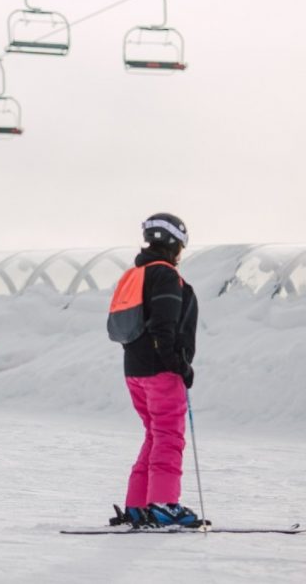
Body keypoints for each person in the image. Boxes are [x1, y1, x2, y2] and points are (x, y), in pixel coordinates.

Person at [107, 213, 199, 528]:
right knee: (169, 436)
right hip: (160, 371)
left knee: (155, 434)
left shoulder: (134, 275)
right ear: (174, 244)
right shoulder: (165, 276)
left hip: (134, 370)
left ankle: (138, 505)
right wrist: (179, 365)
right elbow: (164, 326)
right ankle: (163, 504)